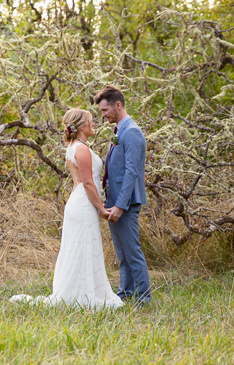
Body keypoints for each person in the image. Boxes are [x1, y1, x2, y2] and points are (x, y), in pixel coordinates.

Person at [10, 108, 123, 309]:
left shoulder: (74, 147)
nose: (94, 124)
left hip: (79, 201)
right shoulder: (81, 149)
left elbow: (80, 183)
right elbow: (88, 183)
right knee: (82, 246)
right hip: (84, 203)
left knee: (81, 246)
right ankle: (81, 295)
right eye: (90, 121)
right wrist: (101, 209)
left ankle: (81, 290)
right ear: (81, 126)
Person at [94, 85, 151, 305]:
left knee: (132, 251)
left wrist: (120, 205)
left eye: (105, 110)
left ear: (118, 105)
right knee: (122, 254)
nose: (103, 115)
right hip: (114, 200)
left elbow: (131, 172)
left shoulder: (132, 132)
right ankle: (125, 294)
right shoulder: (120, 130)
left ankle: (143, 298)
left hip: (124, 202)